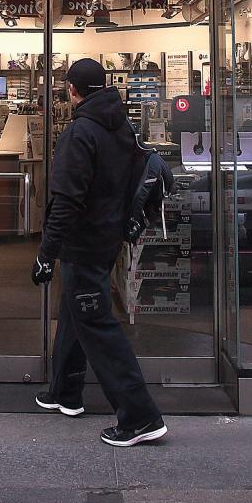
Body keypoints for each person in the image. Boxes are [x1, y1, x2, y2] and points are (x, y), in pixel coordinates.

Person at [31, 58, 167, 447]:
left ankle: (141, 416)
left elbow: (65, 202)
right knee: (78, 314)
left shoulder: (80, 133)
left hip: (84, 242)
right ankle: (65, 392)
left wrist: (46, 252)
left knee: (97, 325)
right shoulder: (121, 123)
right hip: (108, 238)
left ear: (71, 90)